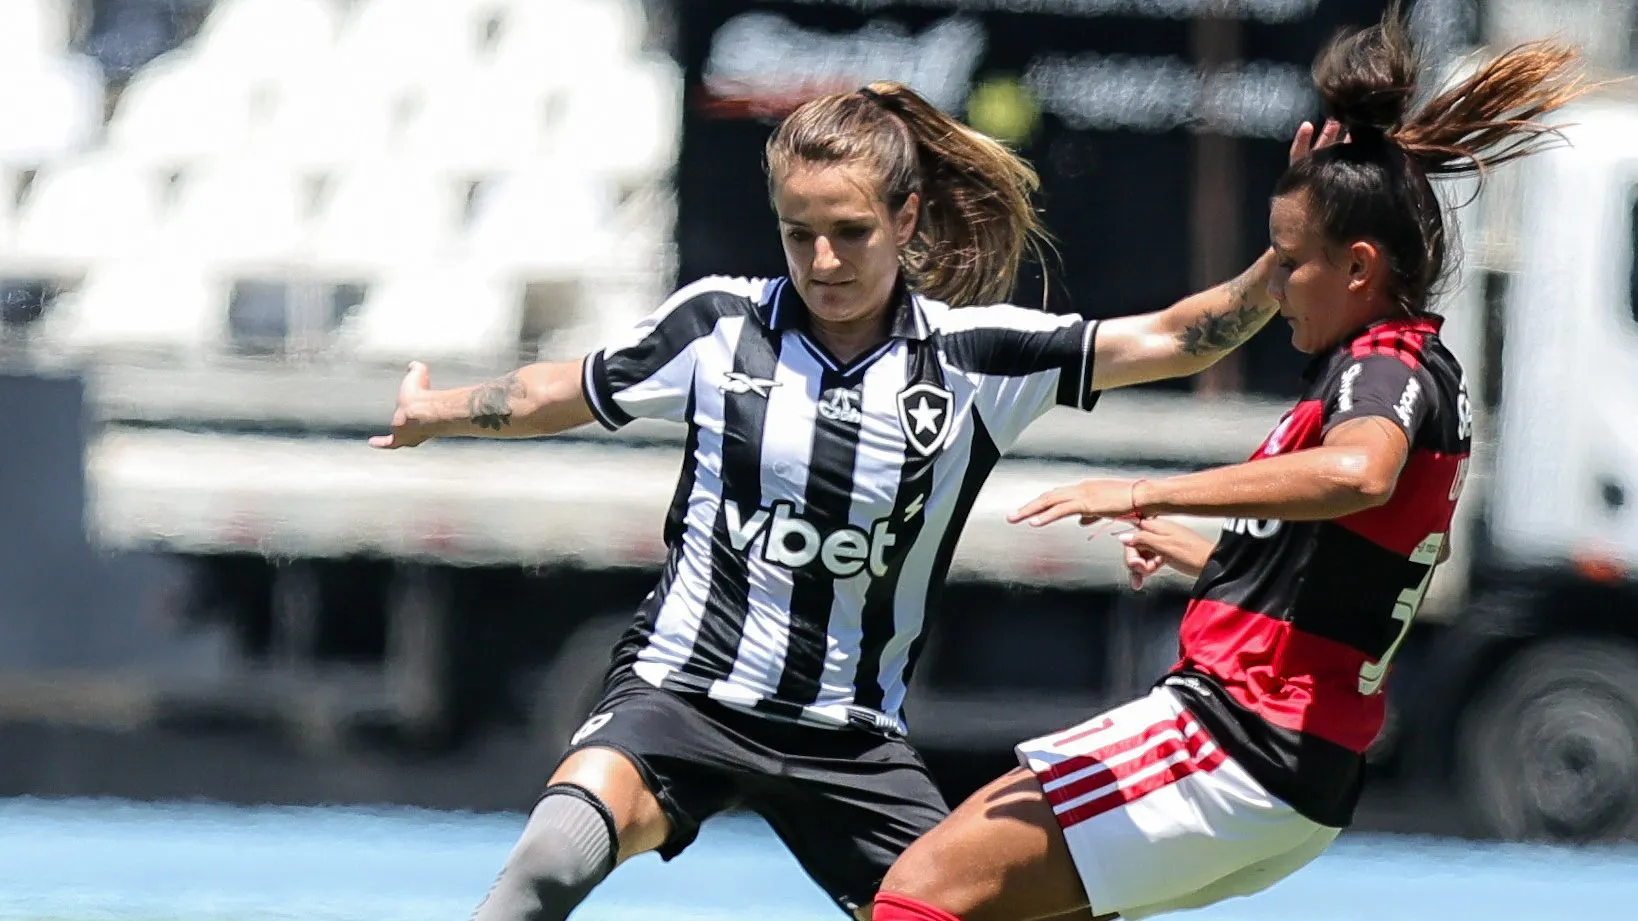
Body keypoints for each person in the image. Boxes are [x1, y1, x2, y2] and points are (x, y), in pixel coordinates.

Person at [372, 80, 1293, 921]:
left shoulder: (976, 358)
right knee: (544, 862)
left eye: (850, 231)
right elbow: (555, 391)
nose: (822, 259)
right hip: (682, 698)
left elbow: (1180, 337)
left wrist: (1289, 248)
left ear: (906, 217)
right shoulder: (717, 325)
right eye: (796, 231)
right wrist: (435, 411)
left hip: (854, 743)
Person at [870, 14, 1590, 921]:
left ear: (1359, 268)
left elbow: (1357, 474)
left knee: (918, 894)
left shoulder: (1383, 369)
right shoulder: (1415, 367)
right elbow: (1353, 572)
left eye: (1290, 263)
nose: (1273, 287)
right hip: (1293, 772)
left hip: (1238, 741)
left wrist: (1150, 486)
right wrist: (1203, 554)